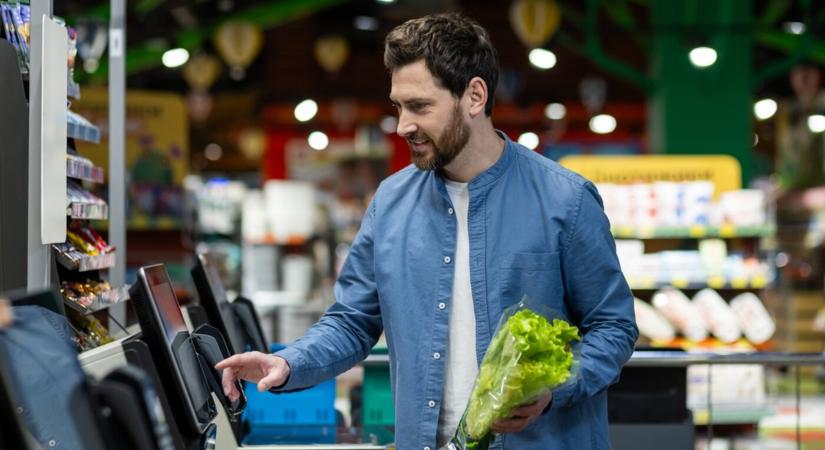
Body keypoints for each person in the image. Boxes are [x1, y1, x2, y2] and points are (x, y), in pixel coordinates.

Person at [217, 12, 637, 450]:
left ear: (474, 95)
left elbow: (613, 326)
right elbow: (353, 321)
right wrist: (288, 363)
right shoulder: (391, 202)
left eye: (420, 107)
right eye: (399, 107)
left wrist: (555, 389)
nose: (402, 126)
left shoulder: (565, 200)